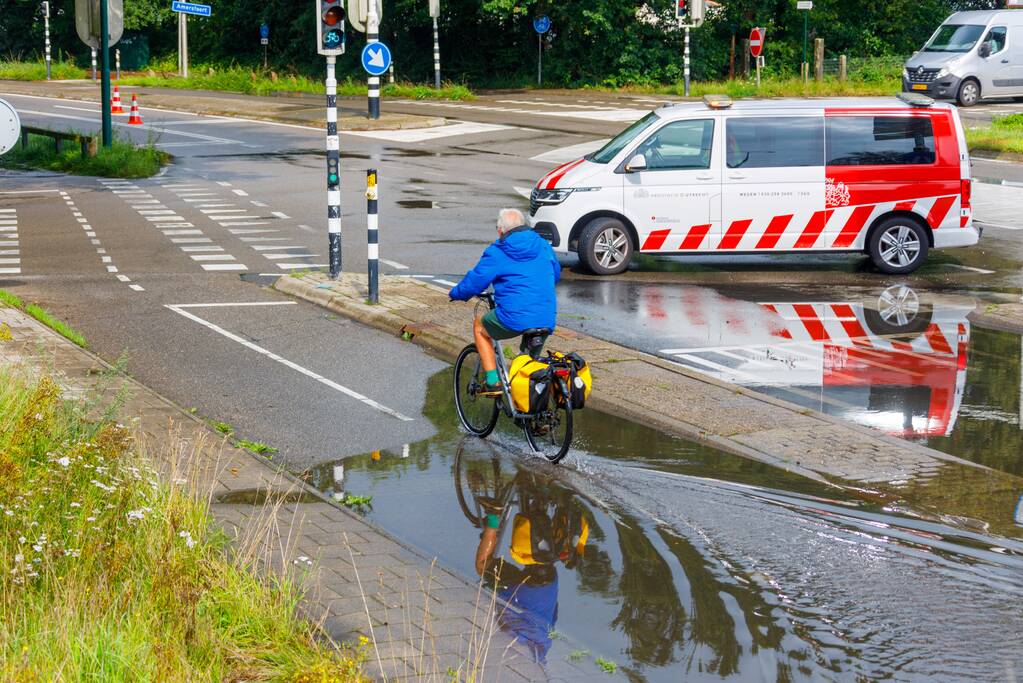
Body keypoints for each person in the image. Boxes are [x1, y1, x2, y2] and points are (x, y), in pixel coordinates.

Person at [449, 208, 560, 392]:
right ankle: (531, 410)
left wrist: (456, 293)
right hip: (546, 316)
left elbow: (476, 281)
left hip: (514, 317)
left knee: (479, 327)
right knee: (528, 368)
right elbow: (555, 275)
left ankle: (492, 381)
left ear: (501, 230)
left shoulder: (499, 250)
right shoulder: (543, 245)